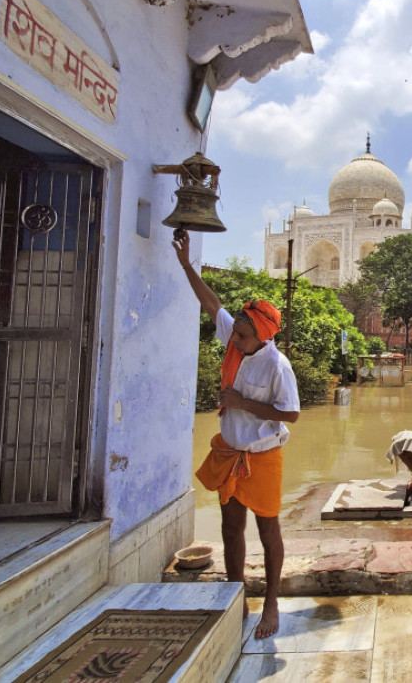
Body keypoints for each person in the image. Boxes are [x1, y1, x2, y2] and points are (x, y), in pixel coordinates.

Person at [173, 228, 300, 639]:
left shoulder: (276, 366)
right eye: (236, 333)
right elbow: (212, 304)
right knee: (231, 528)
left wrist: (242, 402)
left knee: (268, 530)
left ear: (262, 335)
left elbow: (292, 414)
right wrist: (188, 264)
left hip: (262, 457)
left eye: (244, 336)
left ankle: (272, 604)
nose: (236, 340)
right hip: (230, 452)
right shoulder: (236, 339)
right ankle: (236, 595)